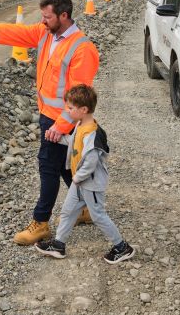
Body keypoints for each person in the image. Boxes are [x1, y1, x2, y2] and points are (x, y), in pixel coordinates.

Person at [0, 0, 99, 245]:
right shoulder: (46, 33)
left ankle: (41, 223)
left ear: (64, 16)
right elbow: (14, 32)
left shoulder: (81, 49)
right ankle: (85, 209)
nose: (42, 21)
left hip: (62, 121)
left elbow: (80, 99)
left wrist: (60, 126)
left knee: (48, 168)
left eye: (47, 17)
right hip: (48, 116)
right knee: (64, 166)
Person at [34, 84, 135, 264]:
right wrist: (58, 138)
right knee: (68, 211)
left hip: (90, 184)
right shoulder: (80, 125)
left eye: (70, 108)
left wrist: (77, 178)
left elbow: (91, 161)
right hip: (80, 182)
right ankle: (59, 245)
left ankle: (122, 247)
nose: (68, 111)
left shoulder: (92, 134)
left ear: (84, 109)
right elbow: (75, 142)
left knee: (98, 215)